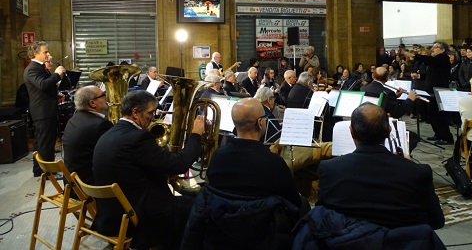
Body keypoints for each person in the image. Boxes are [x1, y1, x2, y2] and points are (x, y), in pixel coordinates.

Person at [92, 90, 205, 249]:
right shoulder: (137, 138)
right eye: (150, 113)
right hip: (137, 216)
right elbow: (179, 165)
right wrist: (196, 135)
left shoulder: (111, 132)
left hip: (111, 212)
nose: (153, 117)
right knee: (199, 203)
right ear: (135, 113)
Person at [317, 103, 445, 230]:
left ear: (351, 132)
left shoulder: (329, 169)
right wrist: (409, 165)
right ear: (389, 131)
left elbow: (321, 216)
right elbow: (436, 221)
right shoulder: (418, 172)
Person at [205, 97, 304, 207]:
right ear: (260, 122)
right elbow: (294, 201)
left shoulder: (217, 156)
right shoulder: (274, 163)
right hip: (262, 221)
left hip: (220, 219)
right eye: (264, 117)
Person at [24, 41, 66, 177]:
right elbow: (42, 84)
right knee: (46, 144)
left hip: (45, 110)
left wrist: (56, 95)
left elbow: (45, 89)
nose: (48, 54)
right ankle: (49, 172)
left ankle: (39, 170)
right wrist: (57, 74)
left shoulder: (39, 68)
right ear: (36, 53)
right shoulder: (32, 68)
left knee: (40, 143)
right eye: (45, 52)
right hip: (43, 112)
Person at [62, 86, 112, 185]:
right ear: (92, 103)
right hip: (89, 187)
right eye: (103, 95)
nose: (106, 97)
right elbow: (113, 156)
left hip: (72, 184)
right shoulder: (100, 125)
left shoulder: (74, 119)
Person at [407, 41, 454, 145]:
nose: (432, 49)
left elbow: (429, 60)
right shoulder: (436, 61)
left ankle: (446, 137)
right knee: (432, 114)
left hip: (439, 90)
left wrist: (415, 55)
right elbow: (430, 75)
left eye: (436, 47)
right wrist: (419, 76)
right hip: (432, 90)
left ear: (442, 50)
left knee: (439, 115)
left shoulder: (443, 58)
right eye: (432, 47)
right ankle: (438, 134)